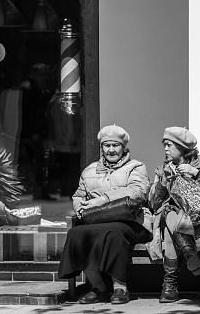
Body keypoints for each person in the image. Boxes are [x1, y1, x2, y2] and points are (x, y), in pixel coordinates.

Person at [58, 125, 153, 305]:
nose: (111, 150)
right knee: (76, 233)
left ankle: (120, 288)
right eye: (106, 145)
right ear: (101, 148)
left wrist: (100, 200)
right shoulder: (89, 170)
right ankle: (99, 288)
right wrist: (80, 208)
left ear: (123, 148)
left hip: (132, 222)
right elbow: (78, 195)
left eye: (115, 145)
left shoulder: (136, 167)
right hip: (99, 221)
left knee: (113, 232)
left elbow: (138, 192)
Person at [148, 126, 200, 303]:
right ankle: (189, 253)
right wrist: (162, 183)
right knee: (169, 212)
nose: (165, 149)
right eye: (164, 145)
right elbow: (153, 204)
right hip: (175, 221)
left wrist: (197, 174)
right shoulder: (163, 168)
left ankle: (169, 286)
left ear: (182, 147)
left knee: (171, 226)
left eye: (169, 145)